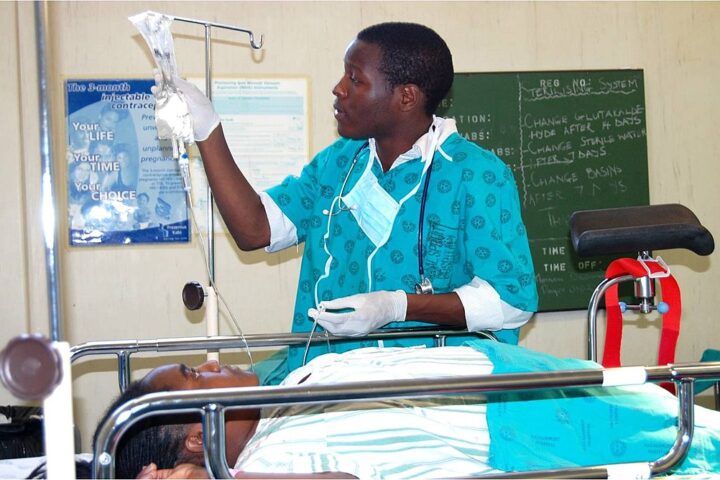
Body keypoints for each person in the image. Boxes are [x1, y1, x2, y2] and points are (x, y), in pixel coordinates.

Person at [154, 22, 539, 380]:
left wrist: (397, 306)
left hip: (429, 396)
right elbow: (255, 229)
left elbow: (511, 302)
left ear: (406, 96)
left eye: (355, 79)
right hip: (327, 385)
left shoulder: (475, 174)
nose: (338, 89)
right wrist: (208, 129)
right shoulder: (339, 163)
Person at [76, 342, 720, 479]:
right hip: (505, 429)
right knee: (679, 448)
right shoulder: (269, 462)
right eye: (198, 376)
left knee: (668, 408)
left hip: (501, 372)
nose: (214, 364)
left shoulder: (282, 401)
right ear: (197, 439)